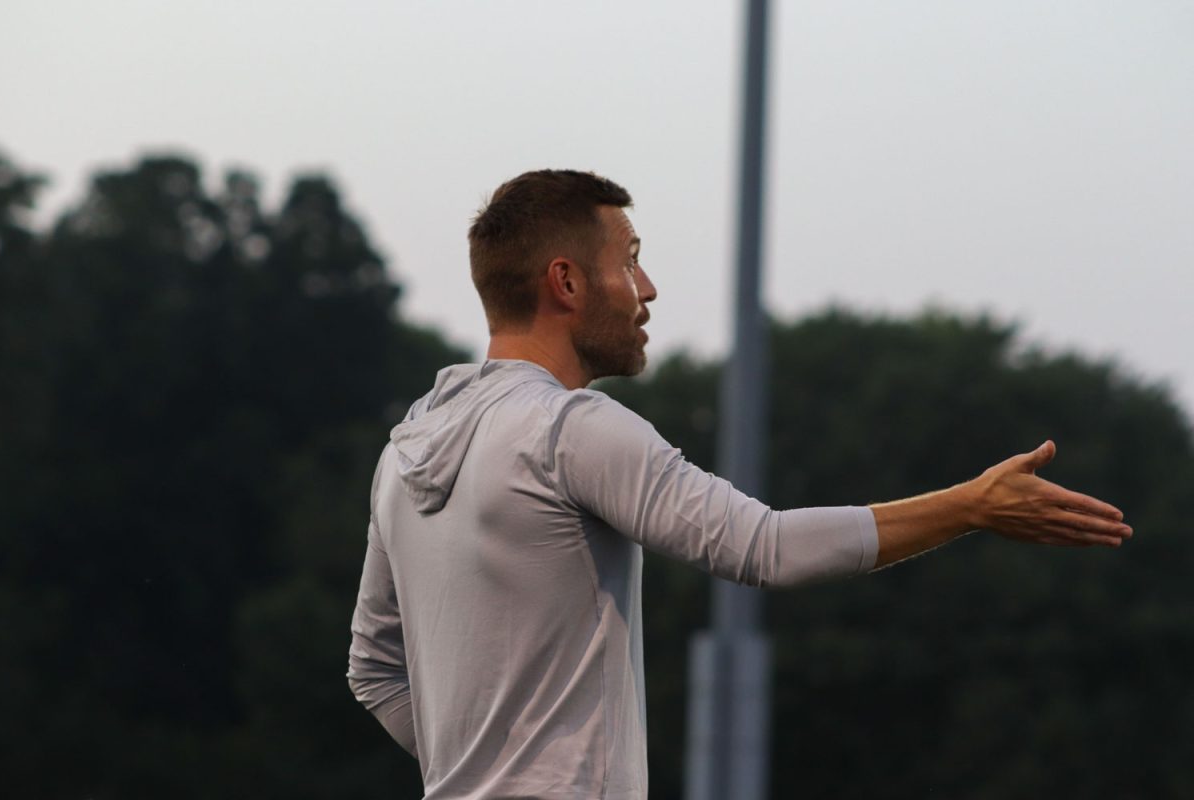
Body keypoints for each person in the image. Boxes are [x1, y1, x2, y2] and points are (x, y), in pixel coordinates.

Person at [347, 170, 1131, 799]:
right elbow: (765, 548)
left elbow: (373, 670)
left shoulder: (404, 449)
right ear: (567, 282)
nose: (647, 287)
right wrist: (971, 506)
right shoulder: (569, 429)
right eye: (628, 259)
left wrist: (482, 771)